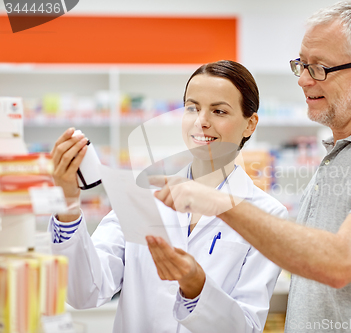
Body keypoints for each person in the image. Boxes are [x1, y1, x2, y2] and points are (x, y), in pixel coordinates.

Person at [153, 2, 351, 333]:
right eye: (302, 65)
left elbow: (340, 262)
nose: (304, 81)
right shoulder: (336, 156)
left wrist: (223, 204)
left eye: (320, 67)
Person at [48, 60, 288, 333]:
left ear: (250, 124)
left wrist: (196, 286)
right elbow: (84, 292)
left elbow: (246, 327)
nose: (202, 121)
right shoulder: (141, 197)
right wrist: (67, 203)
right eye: (192, 108)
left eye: (219, 111)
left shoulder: (268, 214)